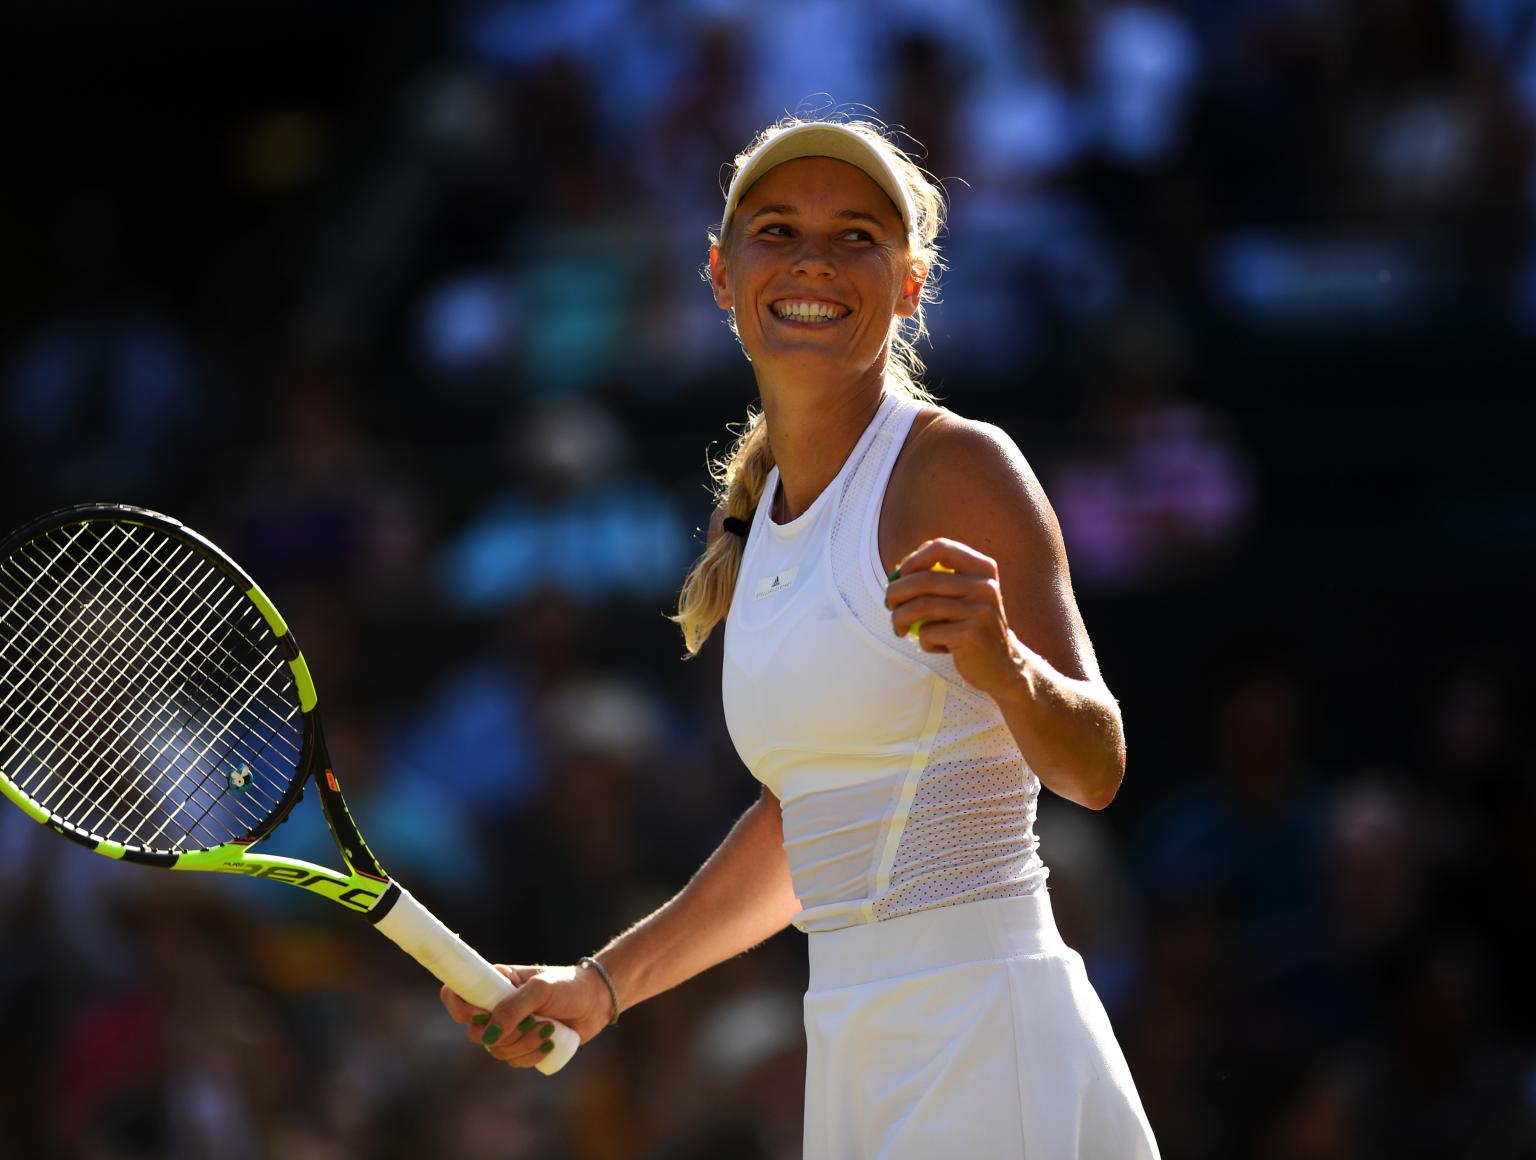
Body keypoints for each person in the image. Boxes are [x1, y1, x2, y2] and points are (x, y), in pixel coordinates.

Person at [440, 114, 1161, 1158]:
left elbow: (1095, 765)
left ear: (911, 281)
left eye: (856, 234)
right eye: (777, 229)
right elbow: (802, 824)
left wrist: (1005, 666)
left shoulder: (959, 467)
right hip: (856, 1040)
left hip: (986, 1027)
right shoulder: (763, 520)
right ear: (722, 274)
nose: (813, 258)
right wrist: (600, 986)